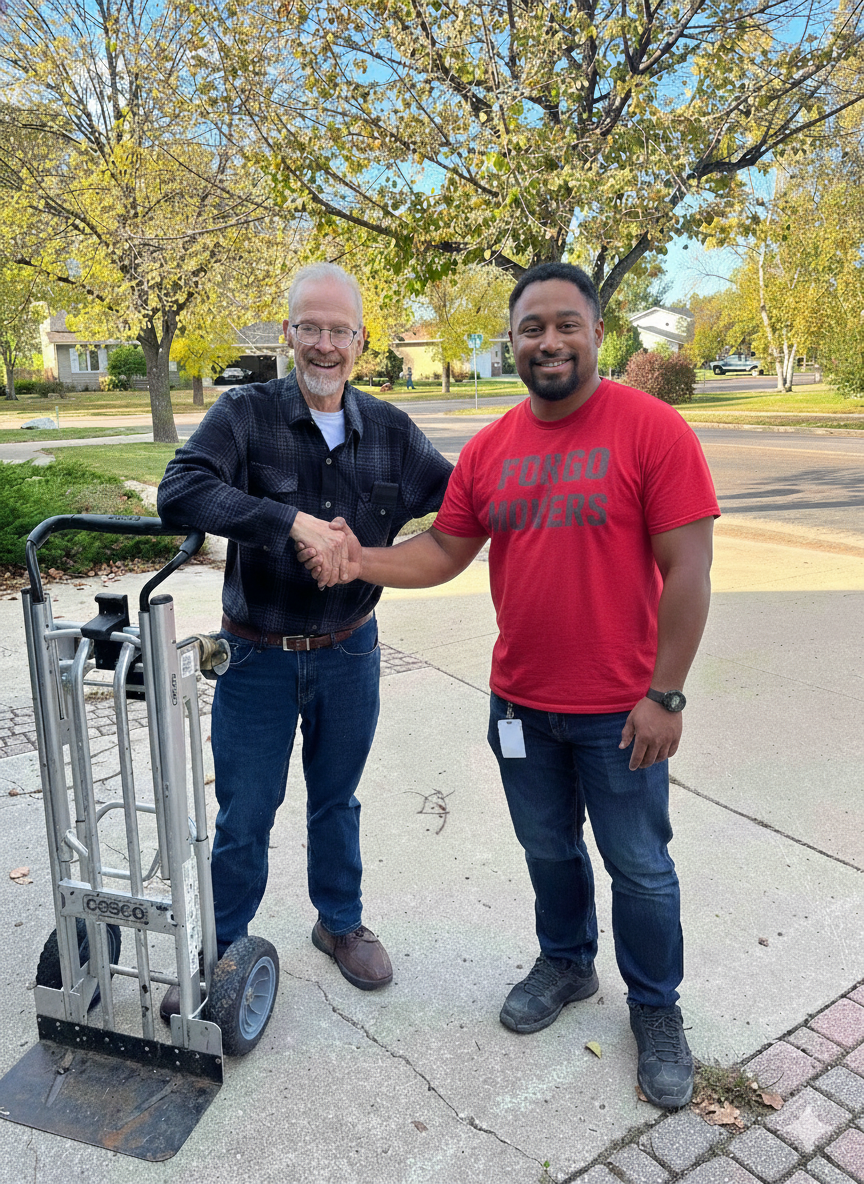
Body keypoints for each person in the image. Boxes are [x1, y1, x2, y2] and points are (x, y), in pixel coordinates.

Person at [298, 262, 719, 1108]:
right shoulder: (493, 448)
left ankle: (657, 1009)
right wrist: (356, 560)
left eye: (567, 324)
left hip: (622, 710)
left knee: (639, 866)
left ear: (600, 333)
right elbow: (445, 551)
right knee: (548, 849)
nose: (550, 340)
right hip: (522, 701)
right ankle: (566, 962)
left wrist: (665, 694)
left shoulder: (652, 431)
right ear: (514, 340)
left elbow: (690, 568)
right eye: (533, 328)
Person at [157, 262, 452, 1011]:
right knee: (246, 811)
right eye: (311, 328)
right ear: (288, 333)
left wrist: (374, 557)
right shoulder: (245, 414)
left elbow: (461, 499)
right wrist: (290, 522)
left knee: (337, 799)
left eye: (340, 331)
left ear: (361, 341)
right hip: (256, 654)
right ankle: (223, 947)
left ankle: (340, 924)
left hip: (350, 651)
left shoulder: (389, 429)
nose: (326, 345)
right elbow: (180, 490)